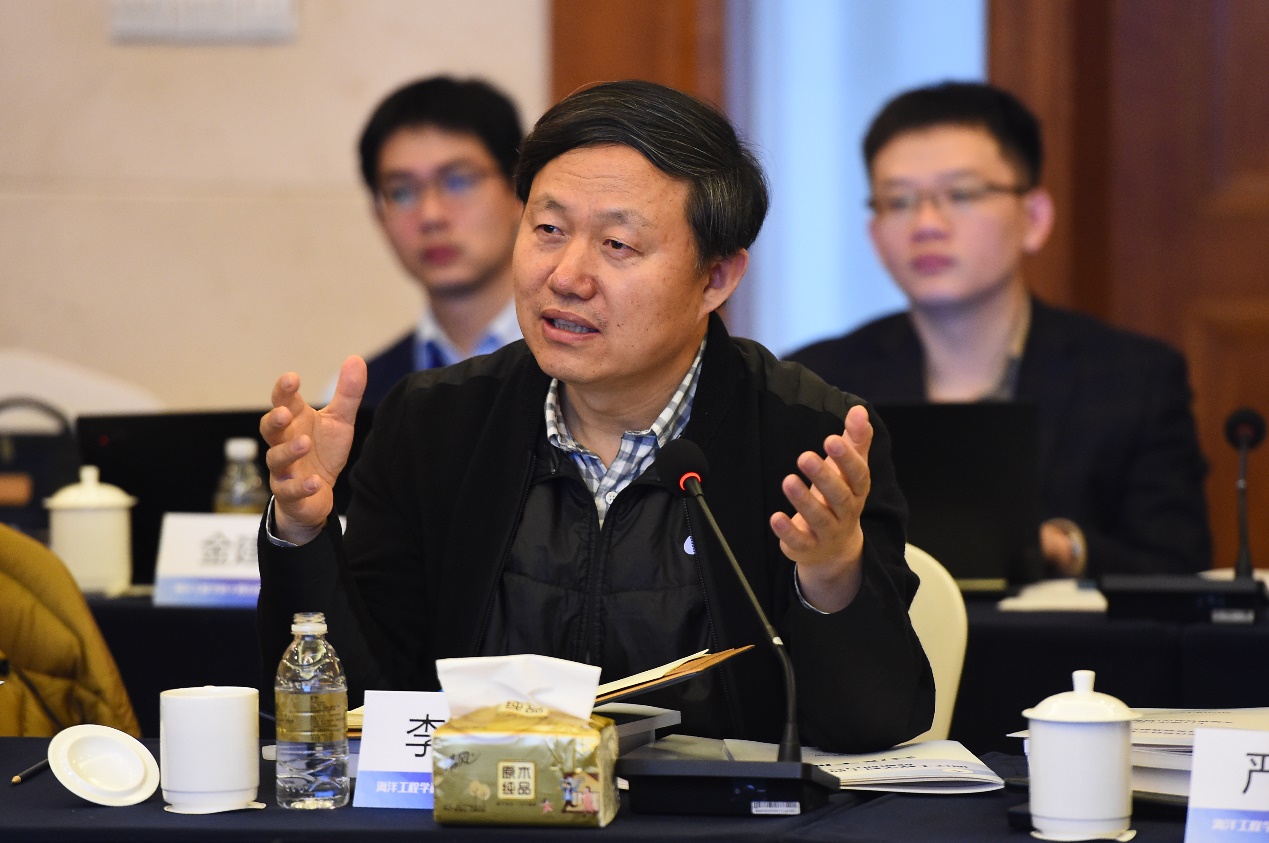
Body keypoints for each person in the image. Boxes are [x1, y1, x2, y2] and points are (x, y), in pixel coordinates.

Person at [257, 80, 934, 753]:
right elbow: (356, 711)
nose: (566, 276)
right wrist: (302, 530)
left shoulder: (812, 439)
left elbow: (868, 726)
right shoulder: (434, 424)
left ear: (716, 278)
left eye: (617, 245)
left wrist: (832, 573)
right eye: (548, 230)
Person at [787, 81, 1211, 578]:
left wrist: (1062, 547)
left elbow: (1178, 568)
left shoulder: (1135, 379)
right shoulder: (813, 382)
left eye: (961, 194)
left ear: (1034, 219)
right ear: (875, 235)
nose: (927, 224)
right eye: (899, 202)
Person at [355, 76, 526, 406]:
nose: (431, 216)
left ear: (518, 189)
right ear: (379, 217)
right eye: (401, 193)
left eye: (458, 181)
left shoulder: (585, 371)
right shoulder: (358, 396)